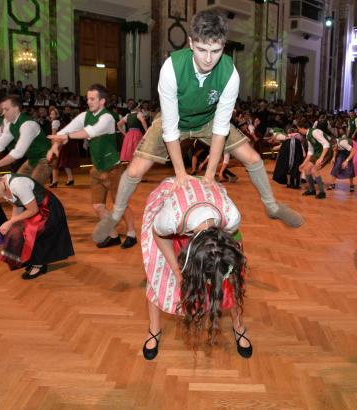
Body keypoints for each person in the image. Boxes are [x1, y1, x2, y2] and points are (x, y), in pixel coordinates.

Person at [92, 10, 303, 243]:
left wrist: (210, 175)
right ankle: (115, 215)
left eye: (216, 51)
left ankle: (272, 207)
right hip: (175, 120)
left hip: (208, 119)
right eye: (202, 50)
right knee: (134, 171)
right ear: (191, 43)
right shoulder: (171, 68)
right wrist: (181, 174)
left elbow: (221, 127)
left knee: (253, 158)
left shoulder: (229, 73)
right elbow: (170, 128)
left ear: (224, 45)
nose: (209, 59)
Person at [140, 177, 251, 360]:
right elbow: (158, 234)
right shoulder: (169, 219)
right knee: (157, 273)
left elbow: (235, 242)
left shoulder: (231, 216)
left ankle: (238, 326)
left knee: (230, 282)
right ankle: (154, 329)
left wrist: (231, 270)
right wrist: (177, 271)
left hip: (210, 222)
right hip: (170, 221)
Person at [47, 84, 137, 249]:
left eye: (92, 99)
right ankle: (113, 235)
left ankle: (132, 233)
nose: (88, 101)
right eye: (87, 98)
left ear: (102, 101)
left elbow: (89, 132)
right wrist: (55, 145)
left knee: (120, 205)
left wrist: (65, 136)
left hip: (113, 169)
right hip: (97, 169)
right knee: (98, 206)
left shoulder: (108, 118)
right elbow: (65, 130)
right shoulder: (84, 115)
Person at [0, 173, 74, 279]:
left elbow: (34, 210)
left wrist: (11, 222)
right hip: (34, 210)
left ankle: (38, 264)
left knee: (29, 232)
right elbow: (17, 205)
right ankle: (30, 259)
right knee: (14, 231)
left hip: (48, 210)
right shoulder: (2, 186)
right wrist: (12, 223)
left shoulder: (17, 184)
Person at [0, 95, 52, 184]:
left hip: (46, 158)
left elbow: (17, 153)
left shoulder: (27, 124)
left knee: (33, 187)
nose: (3, 113)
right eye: (3, 109)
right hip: (32, 159)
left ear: (16, 109)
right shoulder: (10, 125)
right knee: (17, 184)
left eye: (6, 109)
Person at [296, 120, 332, 199]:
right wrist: (303, 164)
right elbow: (310, 152)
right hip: (318, 152)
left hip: (327, 151)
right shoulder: (308, 135)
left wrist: (321, 158)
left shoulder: (314, 132)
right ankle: (312, 190)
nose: (298, 131)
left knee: (314, 170)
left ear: (302, 128)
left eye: (298, 129)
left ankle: (322, 192)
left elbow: (326, 144)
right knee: (306, 169)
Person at [49, 107, 78, 187]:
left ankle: (55, 181)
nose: (50, 115)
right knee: (63, 162)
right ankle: (70, 179)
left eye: (52, 114)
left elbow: (54, 135)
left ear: (57, 115)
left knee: (55, 162)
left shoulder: (55, 122)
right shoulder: (61, 121)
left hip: (59, 144)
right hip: (65, 144)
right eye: (50, 114)